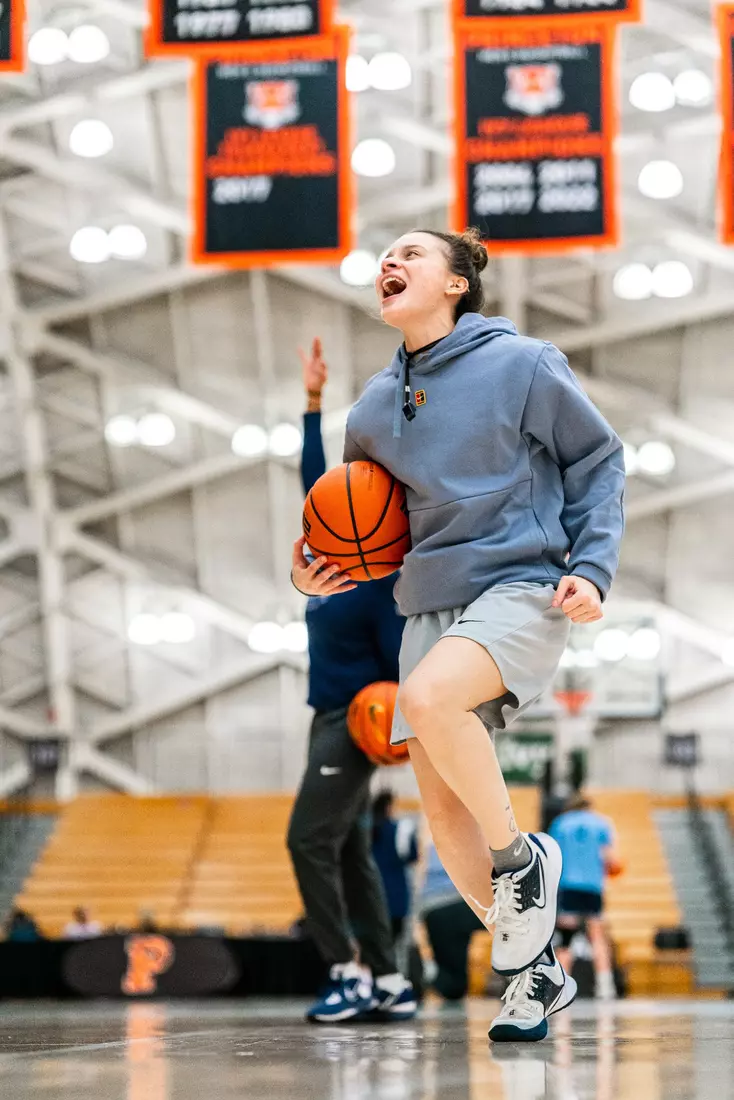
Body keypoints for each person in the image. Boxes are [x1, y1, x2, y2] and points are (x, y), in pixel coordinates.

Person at [292, 227, 625, 1041]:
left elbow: (599, 462)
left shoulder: (525, 364)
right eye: (385, 257)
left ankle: (523, 860)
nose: (390, 263)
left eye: (412, 253)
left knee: (432, 697)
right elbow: (365, 530)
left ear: (455, 284)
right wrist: (312, 572)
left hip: (521, 582)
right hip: (426, 606)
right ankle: (534, 975)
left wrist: (594, 567)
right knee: (443, 819)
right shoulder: (371, 407)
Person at [287, 342, 416, 1023]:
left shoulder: (382, 582)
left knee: (305, 839)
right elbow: (316, 481)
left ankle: (346, 970)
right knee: (350, 848)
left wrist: (388, 721)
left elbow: (401, 669)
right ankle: (390, 979)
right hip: (327, 716)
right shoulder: (330, 544)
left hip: (351, 721)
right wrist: (311, 404)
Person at [550, 793, 620, 1000]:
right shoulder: (601, 824)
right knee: (597, 935)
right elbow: (611, 858)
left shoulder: (560, 824)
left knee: (566, 938)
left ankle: (561, 987)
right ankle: (605, 986)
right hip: (592, 887)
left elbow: (553, 855)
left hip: (568, 886)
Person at [420, 841, 484, 1000]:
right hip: (449, 905)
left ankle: (429, 972)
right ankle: (428, 973)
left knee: (453, 982)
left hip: (435, 908)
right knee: (453, 983)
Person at [371, 790, 419, 942]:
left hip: (367, 896)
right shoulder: (400, 831)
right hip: (394, 898)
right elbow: (413, 856)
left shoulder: (363, 829)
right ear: (389, 807)